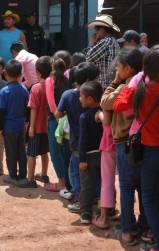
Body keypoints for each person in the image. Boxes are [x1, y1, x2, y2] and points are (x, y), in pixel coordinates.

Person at [114, 43, 159, 251]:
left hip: (149, 151)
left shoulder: (141, 89)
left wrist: (123, 83)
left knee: (150, 197)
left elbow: (117, 105)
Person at [100, 48, 147, 242]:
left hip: (125, 142)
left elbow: (104, 102)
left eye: (119, 66)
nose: (116, 69)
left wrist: (114, 81)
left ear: (128, 69)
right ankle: (145, 226)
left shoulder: (124, 88)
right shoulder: (145, 85)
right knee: (144, 187)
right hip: (143, 141)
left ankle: (127, 230)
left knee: (127, 186)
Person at [55, 62, 100, 212]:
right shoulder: (98, 94)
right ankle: (97, 200)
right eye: (96, 78)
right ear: (89, 79)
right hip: (97, 143)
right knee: (97, 174)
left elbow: (58, 114)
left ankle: (81, 199)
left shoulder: (68, 95)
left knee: (76, 171)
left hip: (76, 142)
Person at [17, 56, 52, 188]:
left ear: (38, 72)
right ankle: (44, 174)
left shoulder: (36, 88)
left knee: (31, 154)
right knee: (44, 152)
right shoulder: (52, 86)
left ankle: (30, 179)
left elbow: (33, 109)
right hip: (47, 127)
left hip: (37, 127)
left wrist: (31, 127)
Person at [0, 59, 29, 185]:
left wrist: (0, 128)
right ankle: (22, 176)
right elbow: (28, 108)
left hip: (8, 127)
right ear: (20, 74)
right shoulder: (24, 89)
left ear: (5, 73)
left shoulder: (4, 91)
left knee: (10, 152)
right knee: (21, 151)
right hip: (21, 126)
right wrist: (26, 122)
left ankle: (12, 175)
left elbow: (1, 111)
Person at [45, 51, 72, 194]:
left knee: (56, 152)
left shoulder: (50, 80)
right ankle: (70, 182)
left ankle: (62, 182)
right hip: (69, 120)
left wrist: (59, 120)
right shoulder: (70, 77)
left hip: (55, 121)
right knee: (67, 152)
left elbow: (51, 105)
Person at [77, 81, 103, 224]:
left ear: (90, 99)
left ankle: (86, 212)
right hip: (103, 155)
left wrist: (82, 159)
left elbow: (83, 140)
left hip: (88, 156)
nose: (79, 99)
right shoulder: (105, 113)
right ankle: (108, 209)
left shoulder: (84, 117)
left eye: (81, 96)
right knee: (104, 183)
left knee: (87, 185)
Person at [85, 14, 120, 88]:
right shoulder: (113, 41)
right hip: (111, 83)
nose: (96, 32)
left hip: (104, 85)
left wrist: (91, 43)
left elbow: (88, 58)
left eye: (98, 29)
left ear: (105, 29)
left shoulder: (106, 42)